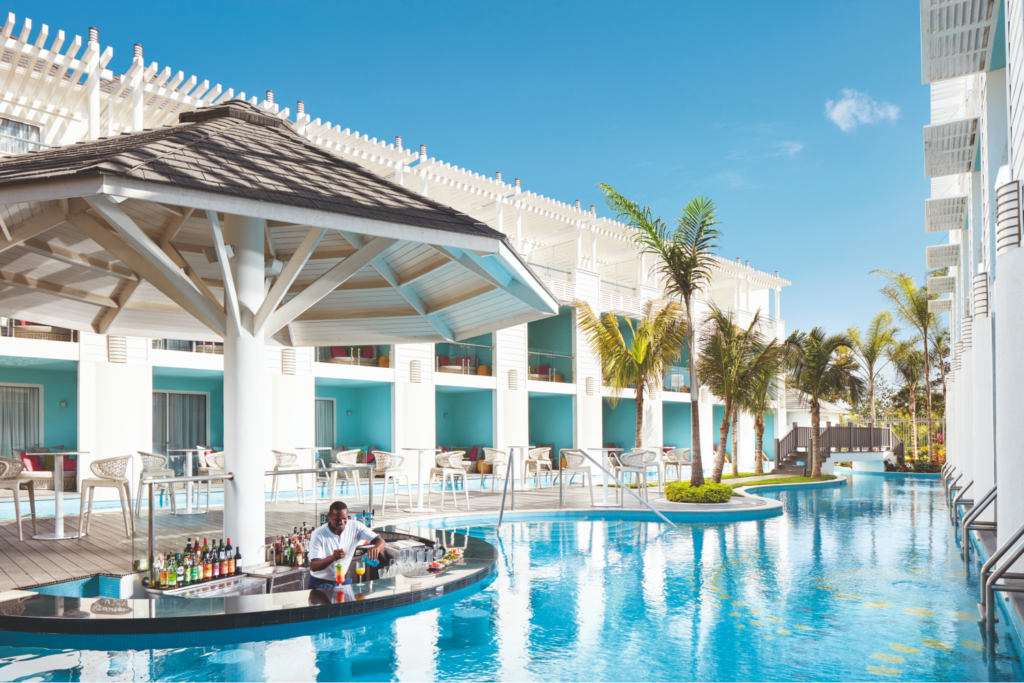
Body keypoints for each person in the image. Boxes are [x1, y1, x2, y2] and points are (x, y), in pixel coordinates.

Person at [308, 501, 385, 591]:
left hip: (344, 581)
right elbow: (313, 566)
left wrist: (376, 548)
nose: (341, 522)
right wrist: (332, 558)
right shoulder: (318, 534)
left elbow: (380, 541)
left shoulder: (356, 526)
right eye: (337, 519)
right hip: (321, 584)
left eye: (345, 518)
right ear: (329, 516)